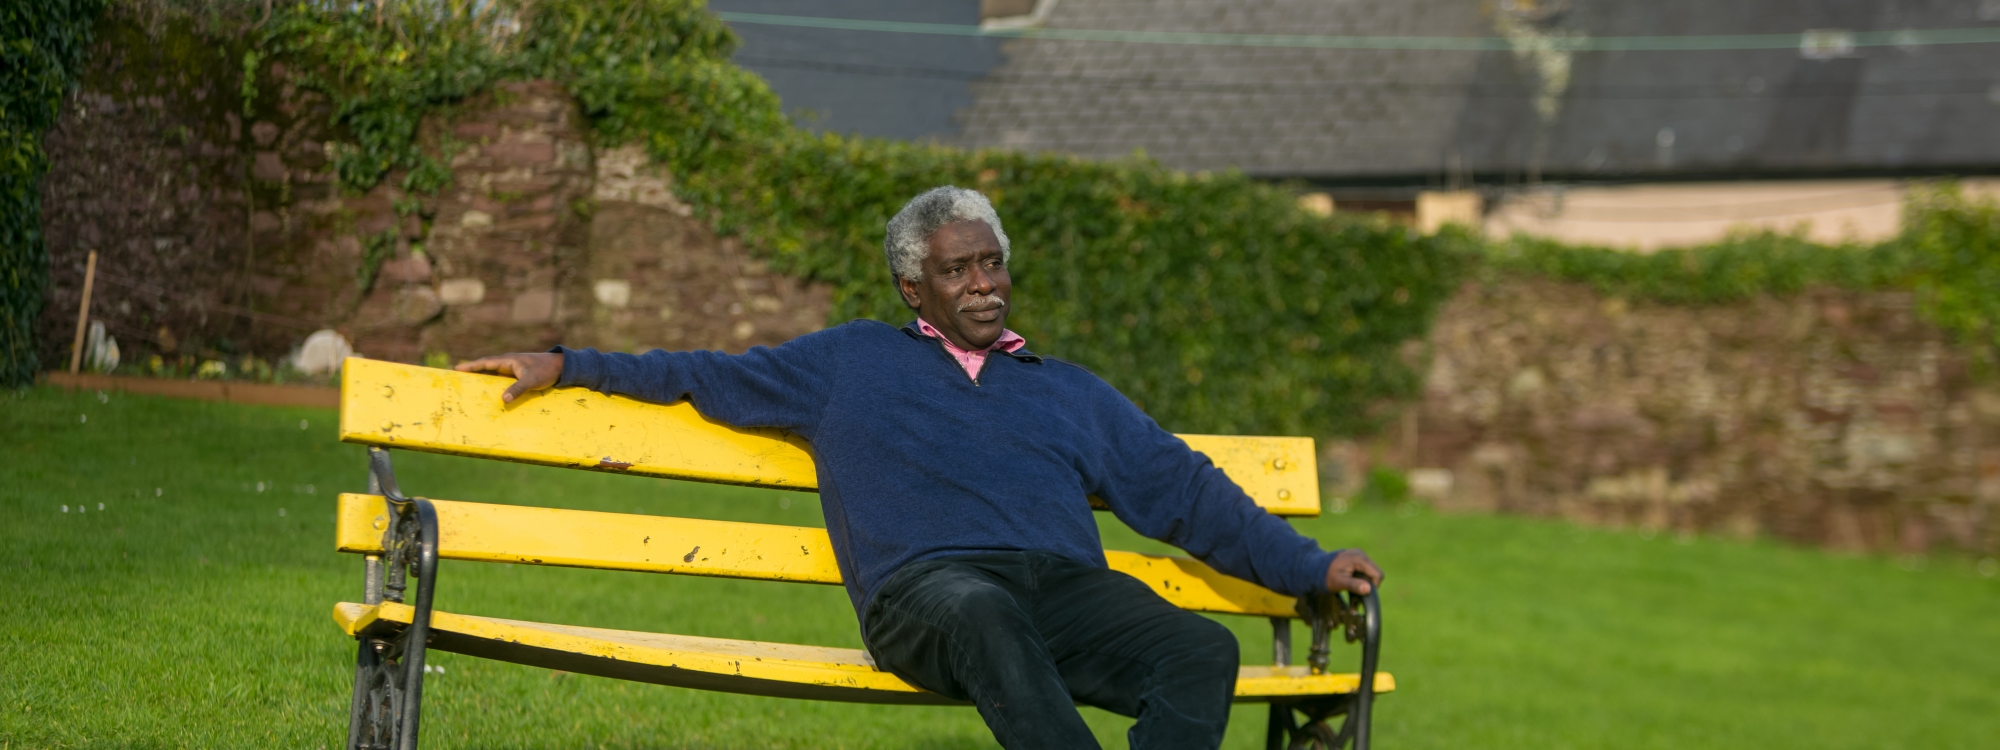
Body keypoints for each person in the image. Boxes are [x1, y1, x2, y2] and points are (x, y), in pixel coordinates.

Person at [456, 186, 1382, 750]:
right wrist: (568, 363)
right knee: (981, 610)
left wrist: (1309, 568)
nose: (985, 283)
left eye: (994, 264)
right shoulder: (849, 361)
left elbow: (1181, 491)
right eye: (959, 271)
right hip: (924, 597)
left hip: (1057, 592)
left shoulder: (1063, 390)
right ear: (915, 289)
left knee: (1198, 649)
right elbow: (703, 375)